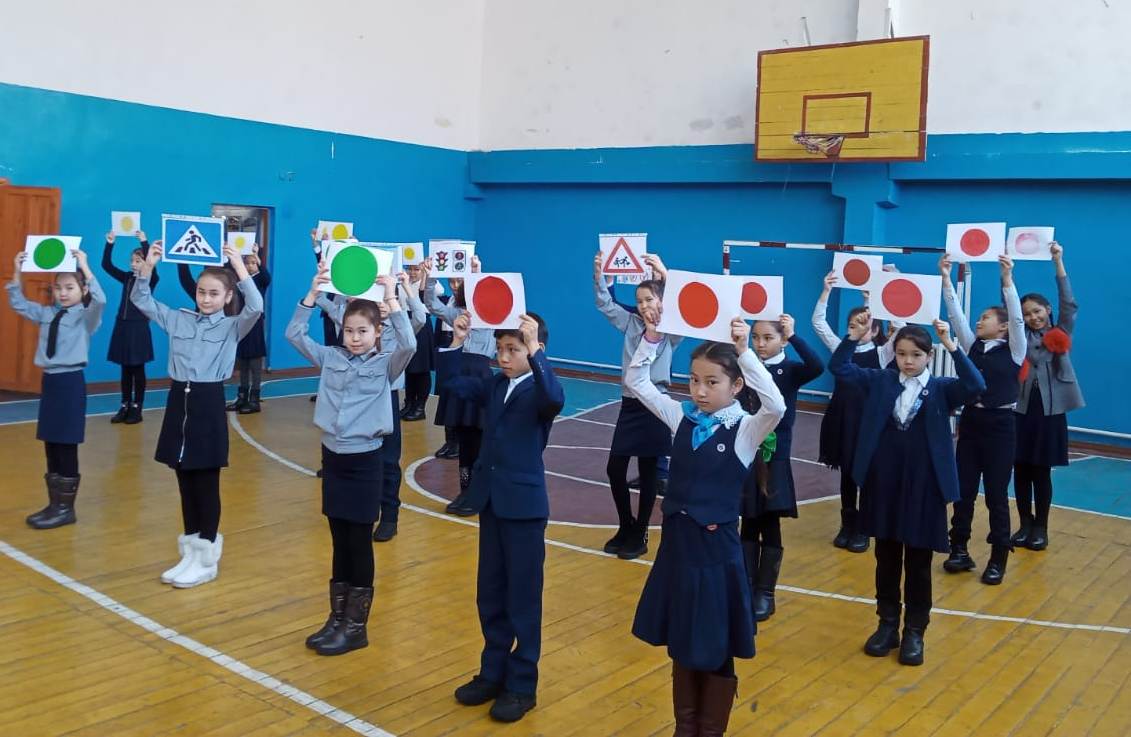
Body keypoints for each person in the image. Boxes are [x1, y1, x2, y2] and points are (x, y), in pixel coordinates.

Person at [627, 316, 784, 736]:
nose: (699, 390)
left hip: (716, 557)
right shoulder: (681, 418)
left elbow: (776, 406)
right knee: (682, 638)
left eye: (712, 382)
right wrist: (651, 338)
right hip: (679, 551)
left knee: (715, 643)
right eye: (694, 380)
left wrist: (745, 351)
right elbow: (637, 381)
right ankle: (686, 726)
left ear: (736, 386)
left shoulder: (745, 429)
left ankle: (710, 730)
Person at [830, 320, 985, 666]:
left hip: (924, 487)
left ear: (929, 356)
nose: (908, 361)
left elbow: (976, 384)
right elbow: (839, 368)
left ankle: (915, 630)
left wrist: (952, 346)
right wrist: (852, 337)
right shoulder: (881, 381)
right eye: (901, 354)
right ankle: (887, 625)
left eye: (916, 354)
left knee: (918, 562)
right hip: (883, 483)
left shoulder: (942, 388)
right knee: (885, 558)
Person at [288, 264, 415, 655]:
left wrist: (392, 297)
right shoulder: (330, 357)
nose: (355, 338)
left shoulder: (386, 364)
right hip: (334, 459)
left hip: (364, 463)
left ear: (377, 333)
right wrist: (312, 294)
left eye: (363, 331)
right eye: (349, 331)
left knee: (359, 542)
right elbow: (294, 333)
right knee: (339, 540)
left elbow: (409, 344)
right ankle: (337, 617)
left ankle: (356, 627)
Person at [444, 311, 564, 723]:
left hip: (524, 509)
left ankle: (522, 685)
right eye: (500, 349)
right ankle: (492, 672)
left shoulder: (541, 390)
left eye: (513, 349)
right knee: (491, 593)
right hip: (492, 503)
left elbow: (554, 398)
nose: (503, 357)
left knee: (523, 599)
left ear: (533, 349)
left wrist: (535, 352)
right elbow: (452, 383)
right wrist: (458, 342)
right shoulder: (496, 385)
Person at [131, 240, 263, 588]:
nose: (206, 299)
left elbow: (256, 306)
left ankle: (206, 559)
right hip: (179, 401)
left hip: (207, 404)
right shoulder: (179, 318)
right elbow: (141, 300)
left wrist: (239, 267)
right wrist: (149, 265)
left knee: (205, 482)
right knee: (184, 479)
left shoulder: (232, 326)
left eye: (214, 293)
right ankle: (190, 553)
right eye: (202, 292)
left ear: (228, 296)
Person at [939, 253, 1025, 584]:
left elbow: (1016, 317)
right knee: (963, 491)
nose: (978, 321)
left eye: (985, 317)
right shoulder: (973, 346)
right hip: (972, 423)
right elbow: (955, 315)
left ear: (1002, 326)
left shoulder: (1015, 349)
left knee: (996, 496)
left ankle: (998, 557)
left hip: (1001, 427)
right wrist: (946, 278)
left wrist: (1007, 280)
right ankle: (958, 549)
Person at [7, 248, 105, 529]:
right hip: (50, 383)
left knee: (66, 444)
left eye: (70, 287)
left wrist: (84, 265)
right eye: (58, 287)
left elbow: (100, 299)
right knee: (51, 443)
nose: (63, 293)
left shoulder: (86, 317)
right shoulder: (47, 313)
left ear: (82, 290)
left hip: (70, 382)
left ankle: (66, 509)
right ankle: (54, 504)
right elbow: (18, 303)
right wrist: (17, 272)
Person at [593, 251, 678, 559]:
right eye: (639, 300)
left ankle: (640, 532)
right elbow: (605, 304)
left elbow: (683, 304)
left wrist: (665, 273)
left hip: (655, 404)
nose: (643, 305)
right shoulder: (630, 323)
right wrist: (600, 274)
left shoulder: (672, 328)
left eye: (649, 299)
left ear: (662, 301)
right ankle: (625, 525)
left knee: (649, 471)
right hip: (630, 405)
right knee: (615, 468)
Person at [743, 314, 823, 621]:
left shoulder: (789, 370)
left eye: (768, 338)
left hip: (774, 458)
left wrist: (795, 335)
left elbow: (816, 366)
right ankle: (746, 587)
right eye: (756, 337)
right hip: (747, 453)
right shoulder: (747, 365)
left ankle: (765, 592)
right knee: (748, 521)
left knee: (769, 522)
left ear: (782, 340)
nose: (760, 344)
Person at [812, 272, 895, 553]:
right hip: (843, 418)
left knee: (867, 473)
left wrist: (874, 300)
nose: (857, 328)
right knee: (847, 473)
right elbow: (819, 324)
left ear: (874, 328)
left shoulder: (883, 353)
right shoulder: (842, 348)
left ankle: (864, 527)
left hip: (868, 422)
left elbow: (900, 328)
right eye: (852, 325)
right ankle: (847, 523)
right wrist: (826, 291)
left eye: (864, 324)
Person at [1012, 242, 1083, 552]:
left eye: (1037, 311)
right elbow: (1010, 308)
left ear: (1048, 310)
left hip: (1050, 411)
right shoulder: (1018, 337)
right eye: (1027, 314)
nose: (1033, 317)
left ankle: (1041, 527)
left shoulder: (1061, 331)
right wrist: (1007, 275)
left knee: (1040, 470)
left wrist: (1058, 262)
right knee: (1020, 468)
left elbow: (1069, 303)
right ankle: (1024, 523)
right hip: (1020, 409)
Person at [423, 255, 497, 514]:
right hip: (461, 375)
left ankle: (480, 493)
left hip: (481, 377)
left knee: (480, 442)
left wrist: (477, 270)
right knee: (465, 442)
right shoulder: (457, 313)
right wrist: (431, 275)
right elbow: (431, 304)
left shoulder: (495, 318)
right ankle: (465, 491)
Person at [102, 230, 157, 424]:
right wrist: (110, 243)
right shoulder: (127, 278)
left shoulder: (151, 280)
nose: (133, 264)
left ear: (146, 263)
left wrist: (144, 241)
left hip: (138, 327)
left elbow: (152, 265)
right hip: (122, 326)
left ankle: (137, 407)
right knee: (125, 368)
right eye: (132, 261)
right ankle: (125, 404)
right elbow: (106, 265)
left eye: (138, 261)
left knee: (137, 368)